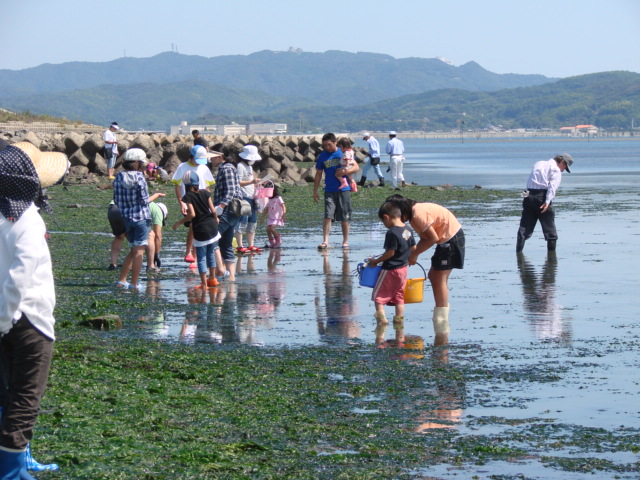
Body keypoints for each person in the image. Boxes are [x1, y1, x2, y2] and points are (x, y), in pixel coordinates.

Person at [0, 141, 68, 480]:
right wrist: (4, 318)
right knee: (26, 399)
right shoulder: (24, 217)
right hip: (28, 319)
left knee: (7, 393)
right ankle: (13, 471)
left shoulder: (6, 215)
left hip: (6, 315)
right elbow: (21, 273)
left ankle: (18, 462)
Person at [385, 194, 465, 342]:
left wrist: (414, 254)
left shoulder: (417, 215)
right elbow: (426, 238)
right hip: (446, 239)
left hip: (451, 239)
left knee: (438, 277)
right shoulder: (414, 215)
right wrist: (414, 253)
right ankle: (441, 316)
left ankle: (441, 317)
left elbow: (432, 238)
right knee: (435, 276)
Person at [112, 148, 165, 290]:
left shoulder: (118, 177)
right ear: (137, 163)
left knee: (133, 249)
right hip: (141, 218)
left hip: (126, 218)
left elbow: (116, 199)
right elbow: (144, 201)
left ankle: (122, 280)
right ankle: (134, 284)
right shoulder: (140, 178)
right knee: (139, 251)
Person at [367, 202, 416, 345]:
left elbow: (390, 253)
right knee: (399, 297)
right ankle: (399, 323)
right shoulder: (408, 229)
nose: (384, 224)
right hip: (403, 269)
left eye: (383, 221)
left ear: (387, 217)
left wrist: (376, 261)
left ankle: (381, 321)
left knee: (378, 295)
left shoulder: (392, 232)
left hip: (390, 269)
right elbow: (413, 247)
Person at [172, 171, 221, 289]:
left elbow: (192, 214)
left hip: (200, 229)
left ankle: (204, 284)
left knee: (201, 257)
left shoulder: (188, 196)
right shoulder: (205, 193)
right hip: (212, 226)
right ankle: (212, 279)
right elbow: (213, 210)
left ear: (186, 185)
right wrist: (216, 219)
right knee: (210, 253)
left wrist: (179, 223)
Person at [516, 154, 574, 253]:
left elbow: (529, 181)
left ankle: (518, 254)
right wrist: (547, 201)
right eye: (564, 167)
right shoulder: (555, 170)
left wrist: (524, 198)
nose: (563, 170)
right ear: (562, 162)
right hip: (541, 196)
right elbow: (552, 188)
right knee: (550, 229)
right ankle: (551, 261)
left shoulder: (538, 163)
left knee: (524, 226)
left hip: (528, 194)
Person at [313, 133, 359, 250]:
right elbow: (318, 174)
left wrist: (344, 173)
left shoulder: (343, 152)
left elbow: (356, 167)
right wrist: (315, 191)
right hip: (329, 189)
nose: (327, 147)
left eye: (329, 144)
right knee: (328, 215)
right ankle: (325, 241)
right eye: (325, 145)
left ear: (335, 143)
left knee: (345, 216)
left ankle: (345, 241)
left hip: (344, 189)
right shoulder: (322, 156)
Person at [171, 146, 217, 263]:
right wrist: (181, 203)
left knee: (199, 228)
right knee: (192, 226)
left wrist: (208, 202)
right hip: (188, 201)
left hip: (202, 201)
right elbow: (177, 186)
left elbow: (207, 187)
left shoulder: (204, 168)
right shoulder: (182, 167)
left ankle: (196, 256)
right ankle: (189, 252)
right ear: (191, 156)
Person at [211, 147, 244, 282]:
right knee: (226, 243)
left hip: (228, 209)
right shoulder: (227, 168)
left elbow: (230, 191)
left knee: (212, 237)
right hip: (231, 210)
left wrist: (220, 207)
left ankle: (220, 271)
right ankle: (231, 277)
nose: (210, 159)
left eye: (212, 156)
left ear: (220, 156)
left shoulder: (226, 168)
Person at [234, 144, 262, 254]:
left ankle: (251, 245)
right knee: (242, 221)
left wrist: (256, 184)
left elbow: (250, 181)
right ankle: (240, 246)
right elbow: (238, 182)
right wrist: (252, 182)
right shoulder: (240, 166)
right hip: (243, 197)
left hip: (252, 196)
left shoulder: (249, 167)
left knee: (252, 221)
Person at [146, 202, 167, 272]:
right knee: (151, 235)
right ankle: (150, 265)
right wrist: (156, 254)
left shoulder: (152, 207)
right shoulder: (158, 211)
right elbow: (158, 235)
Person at [107, 201, 126, 270]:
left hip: (113, 208)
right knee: (133, 239)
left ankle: (113, 263)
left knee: (118, 237)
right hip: (126, 207)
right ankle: (131, 263)